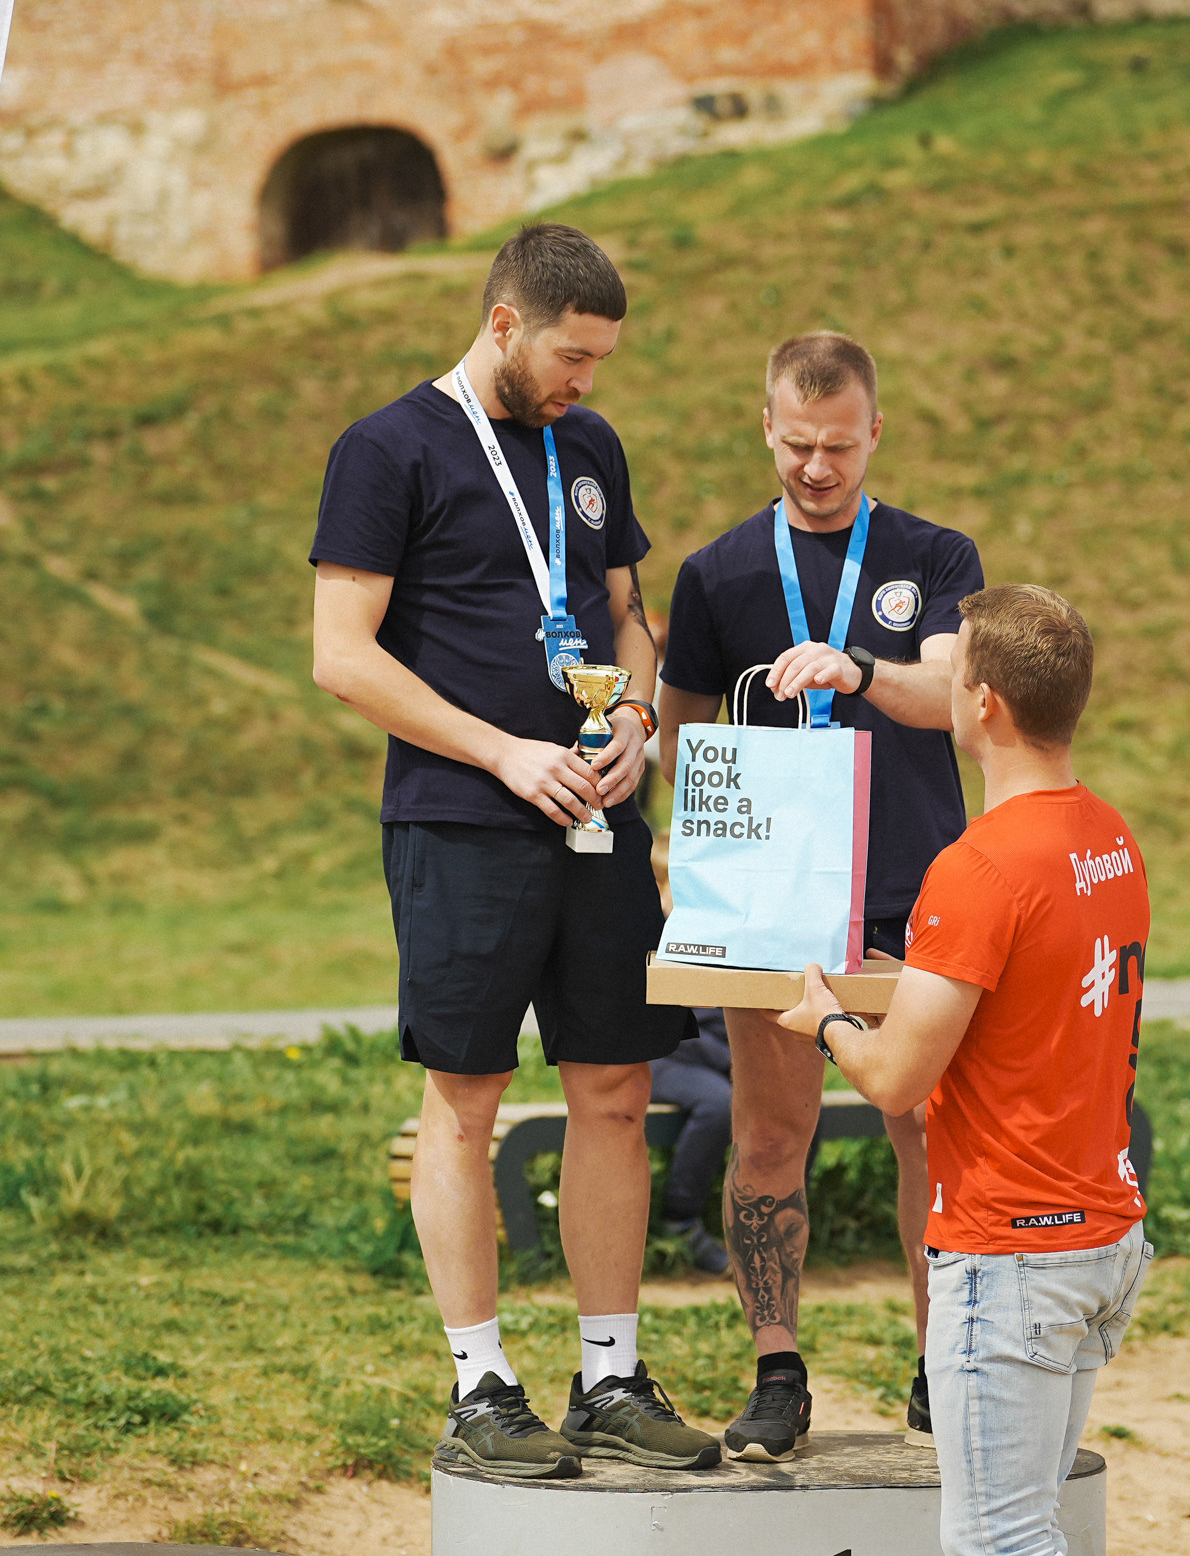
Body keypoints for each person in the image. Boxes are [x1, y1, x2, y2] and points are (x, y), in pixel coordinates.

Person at [310, 223, 718, 1478]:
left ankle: (609, 1373)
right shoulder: (385, 450)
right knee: (466, 1099)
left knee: (615, 1089)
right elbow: (342, 653)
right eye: (570, 356)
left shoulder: (587, 447)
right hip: (464, 820)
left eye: (600, 360)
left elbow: (625, 619)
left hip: (598, 813)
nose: (584, 381)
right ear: (503, 324)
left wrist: (638, 719)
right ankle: (482, 1384)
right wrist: (501, 751)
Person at [656, 330, 985, 1459]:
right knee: (770, 1131)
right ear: (765, 428)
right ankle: (777, 1370)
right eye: (796, 444)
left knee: (928, 1125)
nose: (814, 467)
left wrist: (855, 673)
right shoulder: (717, 574)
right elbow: (680, 738)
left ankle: (945, 1363)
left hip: (914, 886)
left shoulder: (936, 555)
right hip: (774, 895)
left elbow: (951, 698)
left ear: (876, 433)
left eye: (837, 446)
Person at [775, 585, 1151, 1556]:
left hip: (1008, 1248)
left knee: (999, 1539)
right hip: (1099, 1234)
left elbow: (896, 1082)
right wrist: (919, 983)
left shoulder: (975, 870)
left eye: (957, 664)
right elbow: (1027, 995)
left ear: (984, 703)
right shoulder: (1111, 836)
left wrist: (824, 1021)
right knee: (1034, 1524)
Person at [648, 1008, 733, 1274]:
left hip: (730, 1055)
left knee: (803, 1108)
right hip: (668, 1055)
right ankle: (680, 1219)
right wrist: (733, 1059)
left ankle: (782, 1220)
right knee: (719, 1104)